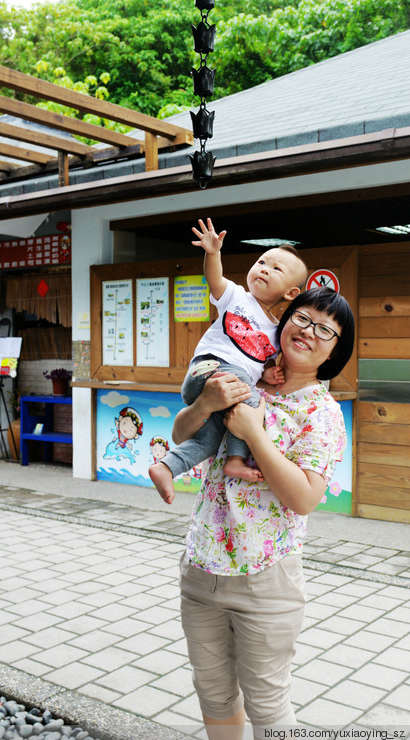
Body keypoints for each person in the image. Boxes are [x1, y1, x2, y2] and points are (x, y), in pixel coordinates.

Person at [159, 287, 355, 740]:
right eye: (302, 319)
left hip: (266, 580)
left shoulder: (322, 413)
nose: (309, 332)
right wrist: (206, 403)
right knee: (213, 692)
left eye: (326, 330)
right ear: (283, 322)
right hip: (202, 566)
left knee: (267, 703)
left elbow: (304, 498)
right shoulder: (246, 376)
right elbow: (182, 431)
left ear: (334, 352)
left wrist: (253, 433)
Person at [149, 218, 308, 499]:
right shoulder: (237, 297)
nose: (264, 269)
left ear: (290, 293)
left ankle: (167, 467)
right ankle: (235, 460)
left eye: (276, 269)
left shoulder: (275, 333)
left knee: (210, 437)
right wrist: (213, 254)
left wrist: (267, 374)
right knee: (254, 403)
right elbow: (214, 279)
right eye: (261, 262)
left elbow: (258, 365)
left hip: (223, 389)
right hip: (208, 369)